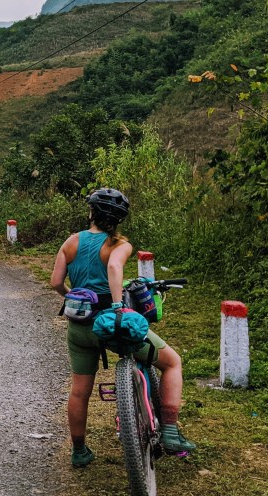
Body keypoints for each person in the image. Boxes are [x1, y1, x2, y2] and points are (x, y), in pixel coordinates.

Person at [51, 187, 197, 468]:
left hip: (80, 327)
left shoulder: (71, 242)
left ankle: (79, 451)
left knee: (80, 391)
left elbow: (56, 282)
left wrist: (73, 296)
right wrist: (118, 306)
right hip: (112, 326)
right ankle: (169, 430)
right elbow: (115, 268)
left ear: (91, 212)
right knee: (172, 362)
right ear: (119, 219)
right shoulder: (120, 245)